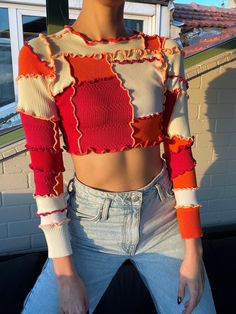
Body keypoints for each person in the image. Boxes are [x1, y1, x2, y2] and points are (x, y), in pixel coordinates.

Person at [16, 1, 217, 313]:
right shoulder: (44, 56)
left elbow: (179, 148)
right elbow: (46, 168)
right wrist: (65, 274)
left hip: (163, 218)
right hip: (89, 226)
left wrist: (194, 248)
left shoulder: (164, 52)